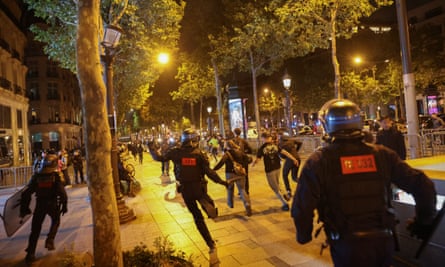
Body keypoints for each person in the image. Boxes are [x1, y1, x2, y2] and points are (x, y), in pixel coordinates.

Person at [291, 99, 437, 267]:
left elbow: (302, 206)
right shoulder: (383, 155)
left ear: (328, 125)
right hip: (383, 242)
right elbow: (423, 185)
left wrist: (304, 235)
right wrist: (423, 222)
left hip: (346, 245)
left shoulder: (319, 161)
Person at [148, 128, 228, 257]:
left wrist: (151, 147)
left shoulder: (175, 152)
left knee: (197, 218)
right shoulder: (199, 154)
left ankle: (210, 243)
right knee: (208, 201)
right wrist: (222, 182)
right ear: (195, 140)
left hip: (185, 190)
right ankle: (208, 206)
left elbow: (160, 158)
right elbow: (209, 173)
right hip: (199, 188)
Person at [20, 153, 68, 265]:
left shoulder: (36, 176)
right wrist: (64, 205)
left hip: (40, 205)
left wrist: (24, 208)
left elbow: (26, 193)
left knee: (35, 230)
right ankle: (50, 240)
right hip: (52, 204)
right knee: (56, 220)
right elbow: (62, 193)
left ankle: (30, 254)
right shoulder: (56, 176)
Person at [251, 132, 300, 211]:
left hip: (270, 170)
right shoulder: (275, 145)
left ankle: (285, 203)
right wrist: (293, 159)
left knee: (274, 187)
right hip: (277, 168)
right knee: (277, 183)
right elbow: (285, 153)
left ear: (263, 138)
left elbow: (258, 159)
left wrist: (253, 163)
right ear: (269, 138)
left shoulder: (262, 148)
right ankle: (284, 194)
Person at [213, 140, 252, 216]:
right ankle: (247, 204)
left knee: (230, 188)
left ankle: (230, 204)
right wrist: (242, 166)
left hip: (230, 174)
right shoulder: (240, 152)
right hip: (240, 173)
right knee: (242, 190)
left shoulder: (227, 153)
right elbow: (249, 159)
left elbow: (221, 163)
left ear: (226, 146)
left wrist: (213, 170)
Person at [277, 131, 302, 199]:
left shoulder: (281, 144)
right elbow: (300, 143)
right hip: (298, 158)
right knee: (294, 177)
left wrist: (283, 157)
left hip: (290, 160)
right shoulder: (291, 140)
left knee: (284, 175)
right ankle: (305, 183)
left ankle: (288, 191)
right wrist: (296, 150)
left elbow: (282, 155)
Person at [233, 128, 253, 195]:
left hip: (236, 161)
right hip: (244, 160)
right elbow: (250, 150)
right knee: (245, 175)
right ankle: (246, 190)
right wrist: (244, 152)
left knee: (238, 175)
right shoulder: (243, 141)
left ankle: (241, 190)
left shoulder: (233, 141)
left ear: (234, 133)